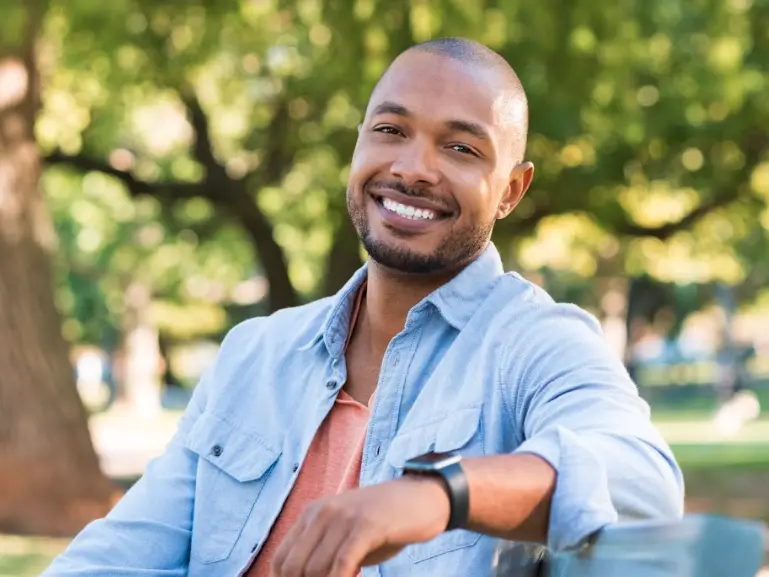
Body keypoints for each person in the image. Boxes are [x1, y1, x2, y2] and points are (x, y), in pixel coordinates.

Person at [42, 37, 684, 577]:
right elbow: (120, 556)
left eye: (461, 147)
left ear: (511, 190)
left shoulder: (535, 343)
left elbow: (643, 486)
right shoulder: (255, 354)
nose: (412, 168)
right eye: (390, 131)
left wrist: (439, 495)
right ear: (357, 146)